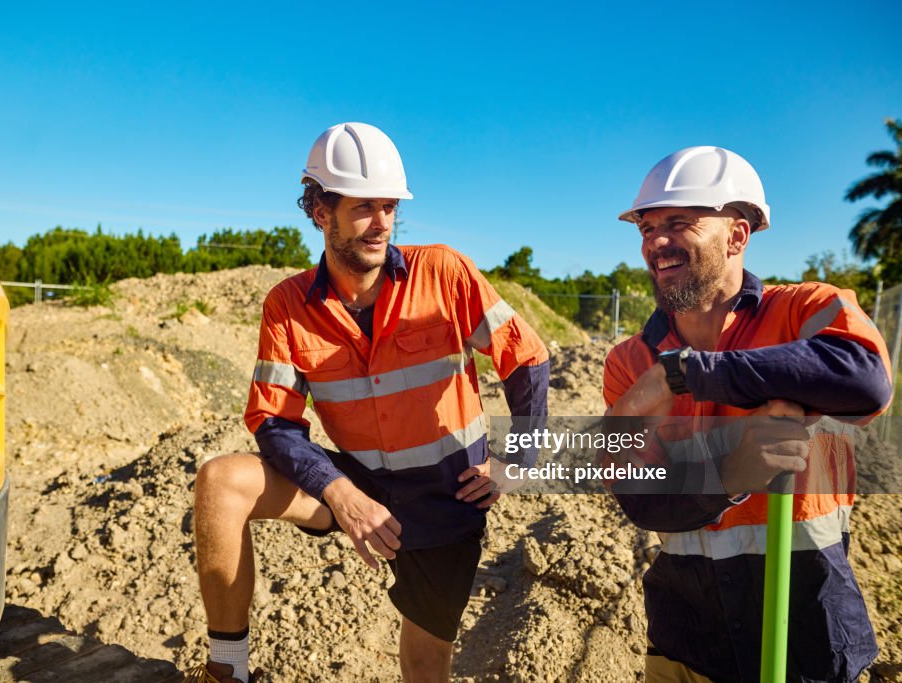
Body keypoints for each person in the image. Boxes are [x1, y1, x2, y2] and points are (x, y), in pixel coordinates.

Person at [184, 122, 549, 683]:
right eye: (363, 207)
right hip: (356, 482)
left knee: (426, 668)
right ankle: (228, 670)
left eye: (389, 206)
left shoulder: (445, 273)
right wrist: (340, 492)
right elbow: (274, 422)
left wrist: (514, 462)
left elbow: (527, 358)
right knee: (220, 481)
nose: (381, 222)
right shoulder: (287, 305)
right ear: (319, 211)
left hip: (447, 499)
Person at [603, 146, 892, 682]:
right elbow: (639, 499)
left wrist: (688, 373)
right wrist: (731, 474)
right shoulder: (627, 362)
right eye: (646, 228)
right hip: (686, 642)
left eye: (679, 223)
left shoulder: (805, 311)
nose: (655, 242)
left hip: (806, 635)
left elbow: (866, 377)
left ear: (737, 235)